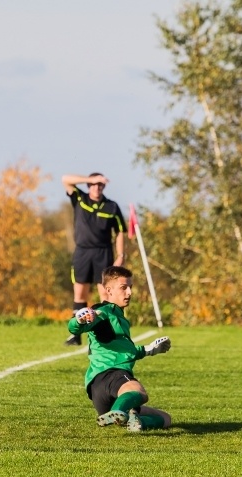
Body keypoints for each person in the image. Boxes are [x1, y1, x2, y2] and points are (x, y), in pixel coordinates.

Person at [67, 265, 172, 432]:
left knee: (165, 418)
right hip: (111, 375)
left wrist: (150, 349)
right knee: (138, 391)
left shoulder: (118, 316)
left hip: (98, 390)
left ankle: (136, 422)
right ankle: (119, 410)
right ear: (108, 290)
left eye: (130, 287)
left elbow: (123, 350)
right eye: (124, 287)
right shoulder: (103, 312)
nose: (129, 292)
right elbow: (78, 326)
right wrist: (79, 320)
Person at [62, 172, 126, 346]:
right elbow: (65, 179)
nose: (97, 187)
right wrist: (90, 179)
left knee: (105, 293)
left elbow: (120, 231)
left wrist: (121, 255)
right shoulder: (80, 199)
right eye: (94, 184)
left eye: (100, 184)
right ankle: (76, 335)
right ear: (89, 185)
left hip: (103, 253)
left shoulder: (112, 206)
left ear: (104, 187)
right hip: (82, 252)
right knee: (80, 293)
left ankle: (108, 333)